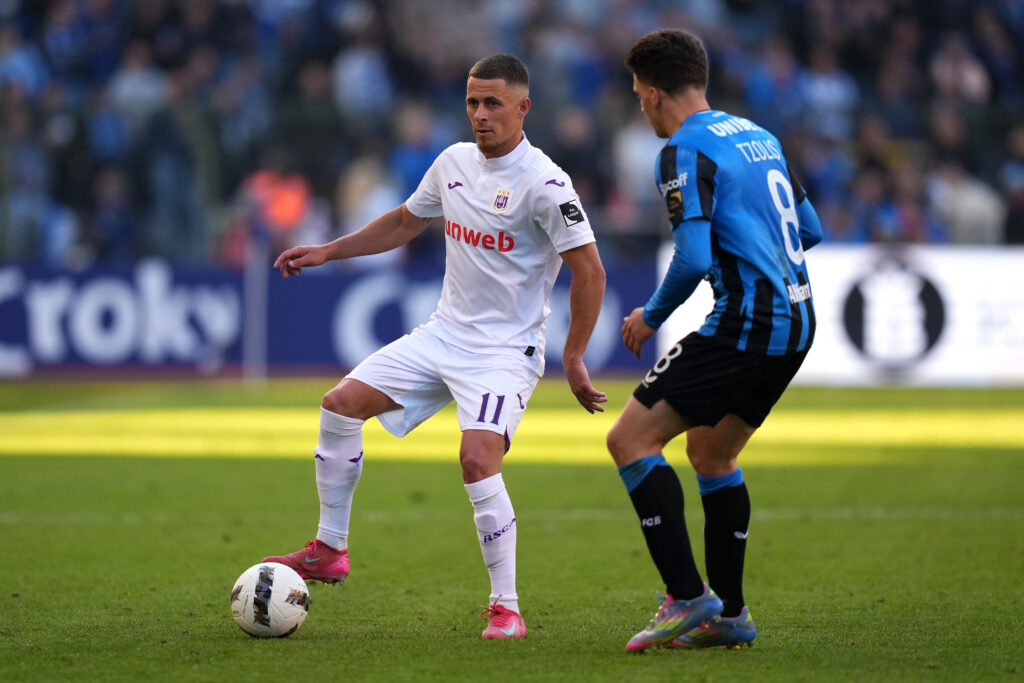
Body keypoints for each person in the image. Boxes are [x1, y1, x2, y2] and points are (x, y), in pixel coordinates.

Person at [263, 53, 607, 640]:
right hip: (443, 334)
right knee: (339, 405)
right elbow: (402, 222)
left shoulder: (546, 185)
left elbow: (591, 271)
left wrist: (573, 356)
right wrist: (327, 251)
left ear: (523, 108)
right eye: (472, 102)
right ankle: (329, 548)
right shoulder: (450, 163)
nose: (479, 114)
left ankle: (506, 606)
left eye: (493, 103)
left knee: (476, 460)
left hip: (504, 352)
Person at [608, 29, 823, 652]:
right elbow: (807, 229)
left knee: (629, 439)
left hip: (748, 323)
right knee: (711, 454)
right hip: (799, 320)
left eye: (635, 94)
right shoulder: (760, 136)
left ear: (652, 94)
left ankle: (687, 595)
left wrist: (650, 314)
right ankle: (729, 614)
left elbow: (695, 256)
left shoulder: (681, 151)